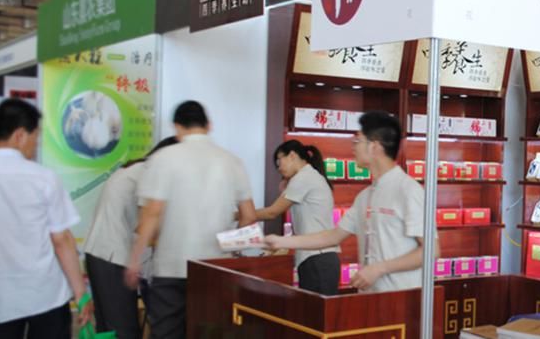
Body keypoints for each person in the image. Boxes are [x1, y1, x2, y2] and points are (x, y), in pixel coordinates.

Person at [125, 101, 256, 339]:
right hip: (214, 268)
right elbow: (249, 216)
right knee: (209, 333)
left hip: (171, 266)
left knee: (167, 334)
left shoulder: (164, 158)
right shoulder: (231, 161)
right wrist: (228, 246)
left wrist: (135, 259)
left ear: (177, 127)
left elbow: (152, 212)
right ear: (209, 125)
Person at [0, 98, 93, 338]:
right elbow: (61, 240)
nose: (36, 145)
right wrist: (81, 293)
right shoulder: (42, 178)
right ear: (20, 135)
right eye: (36, 137)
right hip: (44, 296)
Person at [265, 111, 430, 293]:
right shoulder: (365, 197)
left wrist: (380, 268)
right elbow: (332, 237)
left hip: (403, 296)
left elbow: (430, 250)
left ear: (374, 147)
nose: (353, 147)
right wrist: (280, 242)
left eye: (357, 141)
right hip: (371, 297)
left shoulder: (408, 190)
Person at [83, 136, 178, 339]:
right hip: (112, 257)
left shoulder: (136, 168)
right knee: (124, 330)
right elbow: (146, 225)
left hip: (99, 253)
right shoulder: (148, 173)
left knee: (107, 329)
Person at [255, 140, 340, 295]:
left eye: (279, 161)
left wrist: (238, 214)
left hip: (317, 259)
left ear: (292, 155)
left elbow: (272, 212)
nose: (279, 168)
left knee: (314, 310)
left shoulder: (304, 177)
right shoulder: (309, 176)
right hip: (318, 258)